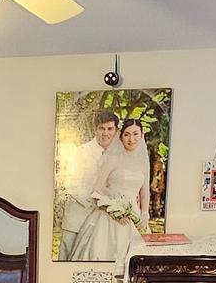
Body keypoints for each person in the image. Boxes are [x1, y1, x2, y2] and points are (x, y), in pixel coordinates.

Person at [66, 117, 151, 264]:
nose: (131, 139)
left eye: (136, 134)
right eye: (127, 134)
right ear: (121, 137)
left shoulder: (143, 163)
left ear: (142, 135)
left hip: (134, 217)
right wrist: (113, 211)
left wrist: (144, 214)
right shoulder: (112, 159)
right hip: (108, 217)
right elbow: (97, 190)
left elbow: (144, 193)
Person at [57, 108, 119, 258]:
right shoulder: (81, 152)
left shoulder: (118, 156)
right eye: (101, 129)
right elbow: (70, 184)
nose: (106, 133)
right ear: (95, 129)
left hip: (103, 223)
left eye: (110, 129)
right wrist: (98, 203)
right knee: (68, 259)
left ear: (116, 131)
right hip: (77, 218)